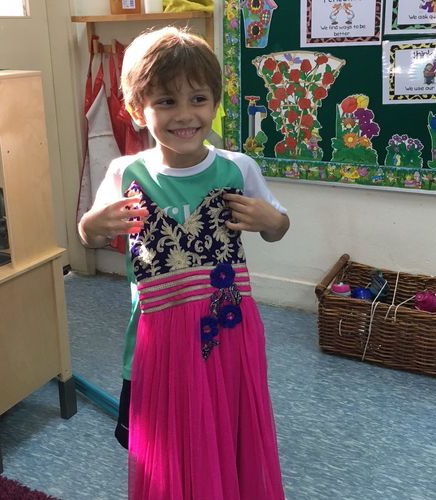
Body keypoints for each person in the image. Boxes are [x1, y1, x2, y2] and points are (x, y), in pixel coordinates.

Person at [78, 26, 289, 499]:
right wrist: (94, 224)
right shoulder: (124, 173)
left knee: (227, 438)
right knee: (166, 451)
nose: (185, 115)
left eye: (198, 99)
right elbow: (89, 235)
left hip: (228, 335)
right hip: (157, 344)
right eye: (166, 102)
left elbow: (278, 228)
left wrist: (271, 219)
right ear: (138, 110)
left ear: (215, 103)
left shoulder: (238, 168)